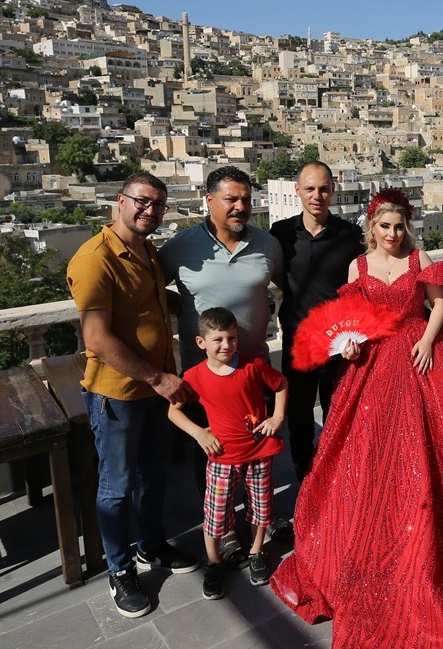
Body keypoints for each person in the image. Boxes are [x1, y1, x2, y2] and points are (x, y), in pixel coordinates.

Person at [272, 188, 443, 649]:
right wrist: (349, 344)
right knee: (364, 453)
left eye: (399, 227)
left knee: (428, 450)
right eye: (385, 227)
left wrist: (428, 342)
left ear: (407, 227)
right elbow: (353, 320)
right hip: (371, 363)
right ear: (372, 229)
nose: (392, 234)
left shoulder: (419, 258)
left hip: (415, 355)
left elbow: (439, 305)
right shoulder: (358, 268)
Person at [66, 172, 198, 619]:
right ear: (119, 202)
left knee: (153, 474)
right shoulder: (94, 260)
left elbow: (152, 302)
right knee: (116, 486)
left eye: (158, 205)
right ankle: (119, 570)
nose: (150, 211)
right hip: (118, 393)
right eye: (142, 202)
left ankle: (152, 546)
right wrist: (159, 379)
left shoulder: (146, 250)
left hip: (155, 387)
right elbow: (98, 339)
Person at [158, 166, 286, 553]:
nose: (240, 206)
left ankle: (258, 519)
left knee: (255, 453)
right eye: (230, 199)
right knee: (212, 455)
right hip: (205, 378)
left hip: (253, 373)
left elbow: (286, 287)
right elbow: (149, 289)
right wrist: (186, 310)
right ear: (208, 201)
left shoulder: (268, 245)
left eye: (245, 199)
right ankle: (222, 525)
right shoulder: (181, 246)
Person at [169, 308, 288, 598]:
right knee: (216, 514)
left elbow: (281, 383)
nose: (226, 345)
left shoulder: (252, 366)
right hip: (222, 458)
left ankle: (257, 550)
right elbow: (173, 412)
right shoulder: (194, 376)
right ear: (201, 343)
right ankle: (214, 562)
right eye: (218, 339)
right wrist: (199, 433)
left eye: (232, 338)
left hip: (258, 451)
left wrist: (277, 417)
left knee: (261, 507)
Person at [270, 161, 364, 480]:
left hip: (339, 346)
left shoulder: (350, 236)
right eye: (309, 188)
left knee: (338, 417)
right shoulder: (280, 234)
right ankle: (307, 483)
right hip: (299, 344)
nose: (317, 195)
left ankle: (336, 484)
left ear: (333, 191)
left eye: (323, 188)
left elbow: (362, 286)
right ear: (297, 190)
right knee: (298, 420)